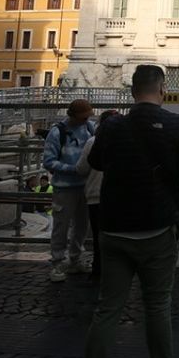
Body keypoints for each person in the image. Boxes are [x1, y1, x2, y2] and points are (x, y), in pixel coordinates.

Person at [83, 65, 179, 358]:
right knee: (158, 305)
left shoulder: (111, 126)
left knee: (107, 308)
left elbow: (95, 162)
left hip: (113, 227)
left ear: (132, 91)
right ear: (163, 89)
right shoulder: (178, 125)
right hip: (158, 228)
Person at [43, 99, 96, 282]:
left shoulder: (90, 128)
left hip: (85, 186)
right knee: (61, 226)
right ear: (72, 116)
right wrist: (73, 169)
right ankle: (57, 262)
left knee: (82, 226)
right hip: (64, 188)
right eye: (83, 117)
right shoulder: (57, 132)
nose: (85, 120)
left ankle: (75, 259)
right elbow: (48, 161)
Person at [78, 110, 119, 282]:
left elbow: (81, 168)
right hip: (119, 198)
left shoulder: (92, 142)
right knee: (118, 236)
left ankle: (98, 270)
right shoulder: (126, 142)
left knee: (98, 236)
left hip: (96, 195)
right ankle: (118, 272)